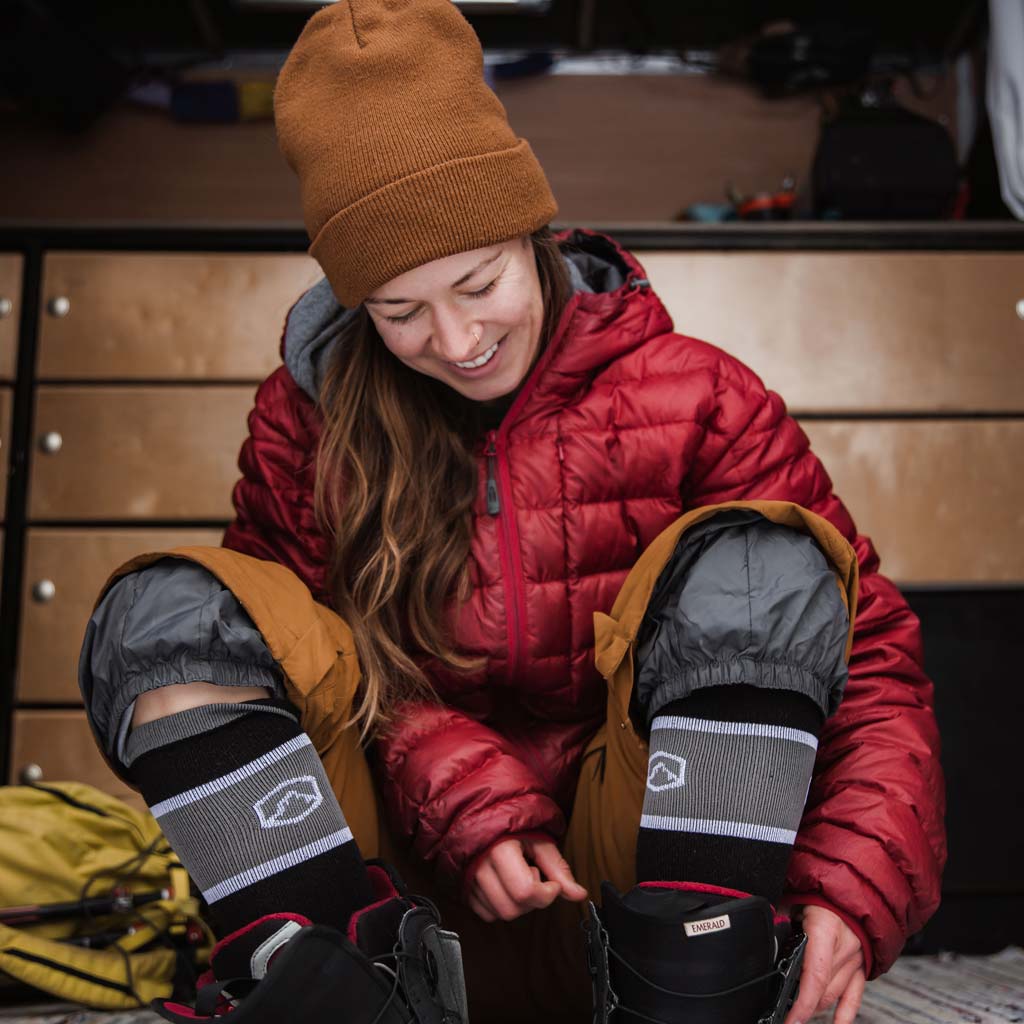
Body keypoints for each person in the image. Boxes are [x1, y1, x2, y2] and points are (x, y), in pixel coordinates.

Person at [78, 2, 945, 1022]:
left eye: (478, 282)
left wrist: (850, 892)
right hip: (412, 901)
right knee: (171, 615)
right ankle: (315, 981)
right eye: (400, 312)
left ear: (530, 234)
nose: (454, 339)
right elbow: (293, 667)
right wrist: (449, 782)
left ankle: (705, 972)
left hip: (644, 901)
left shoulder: (700, 394)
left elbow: (873, 663)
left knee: (765, 561)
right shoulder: (305, 422)